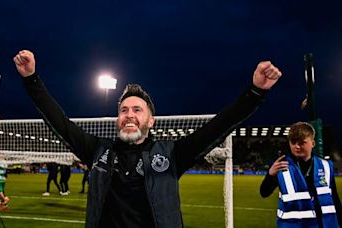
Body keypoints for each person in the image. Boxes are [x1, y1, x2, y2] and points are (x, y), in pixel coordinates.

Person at [14, 49, 282, 228]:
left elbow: (218, 127)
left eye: (137, 110)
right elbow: (58, 122)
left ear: (150, 120)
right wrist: (31, 79)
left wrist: (255, 92)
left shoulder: (171, 153)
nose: (129, 115)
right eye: (123, 110)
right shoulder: (97, 151)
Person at [260, 122, 342, 227]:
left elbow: (334, 198)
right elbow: (264, 192)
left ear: (313, 143)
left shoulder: (326, 166)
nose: (297, 146)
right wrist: (270, 175)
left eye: (302, 142)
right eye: (293, 142)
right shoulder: (281, 166)